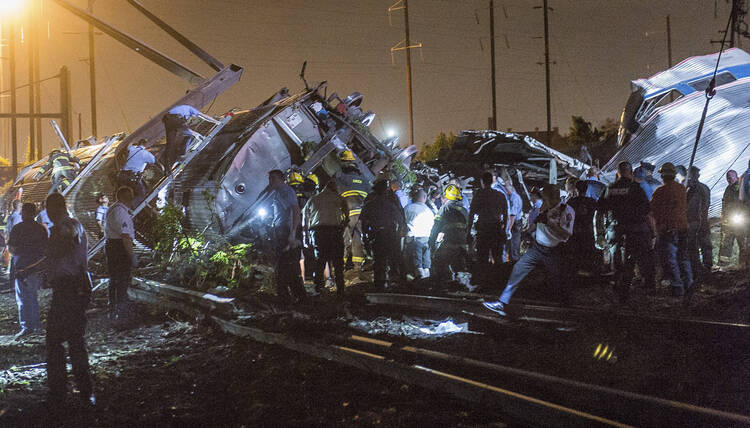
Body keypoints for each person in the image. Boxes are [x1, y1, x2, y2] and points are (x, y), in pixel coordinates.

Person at [483, 184, 575, 315]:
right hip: (537, 248)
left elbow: (566, 234)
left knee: (558, 278)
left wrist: (550, 224)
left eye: (546, 197)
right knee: (518, 269)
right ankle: (502, 302)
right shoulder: (545, 207)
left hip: (554, 250)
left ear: (554, 196)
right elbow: (538, 224)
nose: (543, 200)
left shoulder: (566, 210)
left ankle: (568, 309)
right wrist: (527, 232)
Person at [44, 192, 93, 405]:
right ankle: (83, 389)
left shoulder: (68, 226)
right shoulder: (74, 225)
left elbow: (62, 247)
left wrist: (49, 241)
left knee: (55, 340)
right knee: (74, 340)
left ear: (52, 209)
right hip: (74, 287)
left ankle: (60, 390)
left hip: (68, 288)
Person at [596, 161, 655, 301]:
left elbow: (599, 212)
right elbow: (647, 211)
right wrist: (652, 232)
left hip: (614, 230)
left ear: (618, 172)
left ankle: (618, 285)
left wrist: (599, 233)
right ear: (630, 172)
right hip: (634, 230)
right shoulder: (636, 188)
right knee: (632, 259)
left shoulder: (609, 188)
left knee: (616, 259)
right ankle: (627, 288)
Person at [651, 162, 692, 296]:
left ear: (663, 176)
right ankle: (689, 285)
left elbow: (653, 211)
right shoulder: (681, 189)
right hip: (683, 228)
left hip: (669, 230)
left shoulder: (659, 192)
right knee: (683, 258)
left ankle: (677, 288)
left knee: (671, 259)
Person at [8, 203, 47, 338]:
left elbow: (11, 249)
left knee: (23, 298)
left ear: (24, 212)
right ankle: (36, 326)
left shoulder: (17, 228)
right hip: (36, 268)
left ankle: (26, 326)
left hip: (21, 267)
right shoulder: (41, 229)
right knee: (33, 297)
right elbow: (45, 250)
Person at [302, 179, 348, 296]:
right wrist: (343, 225)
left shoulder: (313, 199)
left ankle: (318, 288)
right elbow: (346, 214)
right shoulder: (338, 198)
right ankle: (341, 288)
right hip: (334, 231)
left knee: (320, 260)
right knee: (338, 261)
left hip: (318, 232)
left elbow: (305, 219)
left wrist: (306, 237)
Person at [267, 169, 306, 303]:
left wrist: (293, 233)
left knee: (285, 266)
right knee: (288, 266)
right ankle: (297, 297)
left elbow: (295, 210)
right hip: (283, 232)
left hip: (287, 232)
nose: (270, 181)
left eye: (273, 178)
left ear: (281, 179)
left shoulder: (285, 191)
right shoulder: (278, 193)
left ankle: (288, 298)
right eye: (270, 178)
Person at [360, 177, 406, 288]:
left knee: (379, 259)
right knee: (394, 258)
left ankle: (380, 283)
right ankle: (395, 280)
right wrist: (401, 231)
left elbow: (363, 222)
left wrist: (366, 237)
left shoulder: (370, 203)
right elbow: (400, 217)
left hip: (377, 235)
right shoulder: (392, 201)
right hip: (390, 234)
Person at [468, 172, 508, 285]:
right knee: (497, 257)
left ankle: (484, 282)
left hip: (484, 230)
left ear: (482, 182)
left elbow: (471, 214)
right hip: (496, 229)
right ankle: (499, 282)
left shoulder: (479, 195)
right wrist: (504, 231)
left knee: (482, 257)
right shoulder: (500, 195)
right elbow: (505, 214)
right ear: (492, 181)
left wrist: (468, 231)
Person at [105, 187, 137, 319]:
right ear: (126, 197)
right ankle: (121, 310)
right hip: (119, 248)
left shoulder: (113, 209)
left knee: (114, 279)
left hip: (112, 246)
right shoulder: (120, 212)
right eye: (131, 196)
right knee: (122, 278)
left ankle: (113, 307)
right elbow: (125, 236)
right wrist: (132, 255)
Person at [336, 150, 371, 270]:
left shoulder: (340, 177)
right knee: (358, 239)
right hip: (361, 215)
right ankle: (357, 266)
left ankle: (341, 266)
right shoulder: (363, 179)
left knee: (345, 240)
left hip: (348, 214)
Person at [429, 184, 471, 284]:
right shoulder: (464, 210)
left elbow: (436, 226)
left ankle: (441, 284)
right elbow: (469, 227)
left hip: (450, 241)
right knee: (459, 265)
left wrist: (431, 241)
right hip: (462, 243)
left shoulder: (445, 208)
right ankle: (460, 285)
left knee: (438, 260)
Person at [566, 179, 598, 275]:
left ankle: (576, 274)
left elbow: (566, 217)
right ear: (587, 189)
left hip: (575, 231)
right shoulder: (592, 202)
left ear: (576, 189)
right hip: (589, 230)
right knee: (588, 253)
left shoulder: (571, 202)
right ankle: (589, 274)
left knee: (576, 254)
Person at [686, 166, 713, 278]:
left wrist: (701, 216)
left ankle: (706, 266)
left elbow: (706, 204)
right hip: (692, 220)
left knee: (703, 243)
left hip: (698, 220)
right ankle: (697, 267)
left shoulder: (701, 188)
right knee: (693, 244)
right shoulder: (687, 188)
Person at [162, 104, 204, 171]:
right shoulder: (190, 109)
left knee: (170, 144)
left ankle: (167, 167)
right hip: (174, 119)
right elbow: (203, 116)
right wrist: (216, 122)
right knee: (190, 135)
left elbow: (183, 128)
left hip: (167, 120)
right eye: (193, 117)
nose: (192, 118)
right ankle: (182, 153)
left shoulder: (182, 111)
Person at [404, 189, 435, 279]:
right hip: (427, 239)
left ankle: (418, 283)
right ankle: (427, 282)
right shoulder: (429, 211)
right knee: (426, 265)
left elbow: (403, 222)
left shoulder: (408, 208)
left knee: (417, 264)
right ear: (424, 198)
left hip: (414, 239)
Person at [118, 138, 156, 207]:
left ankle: (123, 203)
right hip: (133, 179)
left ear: (138, 143)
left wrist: (133, 142)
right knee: (142, 194)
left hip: (123, 176)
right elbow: (153, 160)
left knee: (126, 192)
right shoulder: (146, 153)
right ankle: (130, 206)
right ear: (146, 146)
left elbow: (128, 146)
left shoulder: (132, 149)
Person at [719, 170, 745, 266]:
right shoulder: (728, 189)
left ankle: (743, 265)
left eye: (731, 177)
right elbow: (725, 204)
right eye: (728, 178)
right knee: (726, 244)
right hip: (730, 221)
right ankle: (723, 266)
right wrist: (724, 218)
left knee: (743, 243)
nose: (729, 180)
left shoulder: (743, 186)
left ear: (736, 176)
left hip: (741, 221)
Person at [505, 182, 523, 261]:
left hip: (515, 224)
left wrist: (508, 229)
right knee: (514, 246)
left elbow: (513, 215)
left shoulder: (513, 197)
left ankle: (514, 265)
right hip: (517, 223)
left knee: (513, 246)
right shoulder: (516, 196)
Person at [5, 200, 22, 272]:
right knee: (17, 259)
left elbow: (7, 229)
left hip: (11, 240)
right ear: (18, 206)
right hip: (17, 241)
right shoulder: (17, 217)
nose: (22, 208)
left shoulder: (10, 216)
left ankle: (11, 274)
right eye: (21, 206)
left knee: (13, 258)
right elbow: (17, 230)